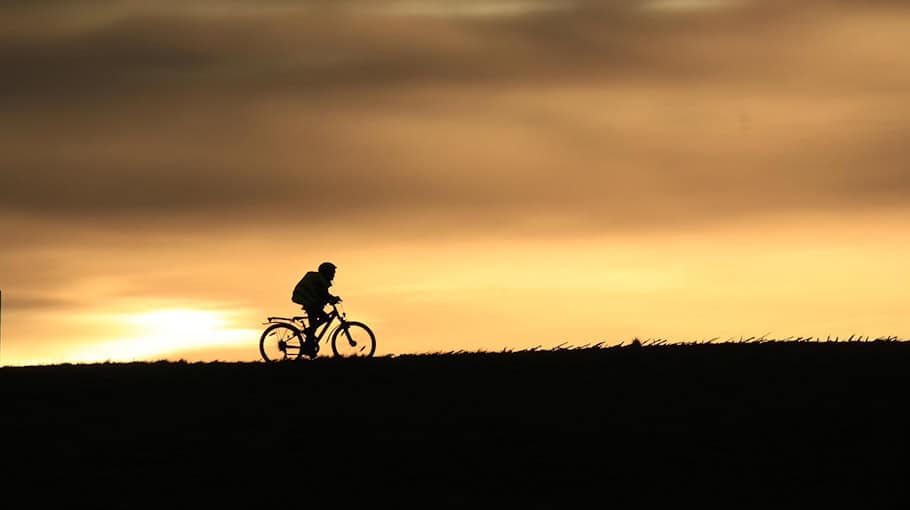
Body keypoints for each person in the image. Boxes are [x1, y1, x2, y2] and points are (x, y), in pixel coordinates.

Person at [291, 261, 342, 356]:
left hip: (310, 302)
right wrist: (332, 299)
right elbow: (323, 295)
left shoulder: (320, 279)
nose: (334, 275)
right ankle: (309, 343)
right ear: (327, 272)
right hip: (309, 302)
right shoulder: (320, 280)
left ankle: (309, 343)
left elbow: (324, 295)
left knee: (317, 323)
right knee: (322, 319)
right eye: (332, 272)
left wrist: (331, 298)